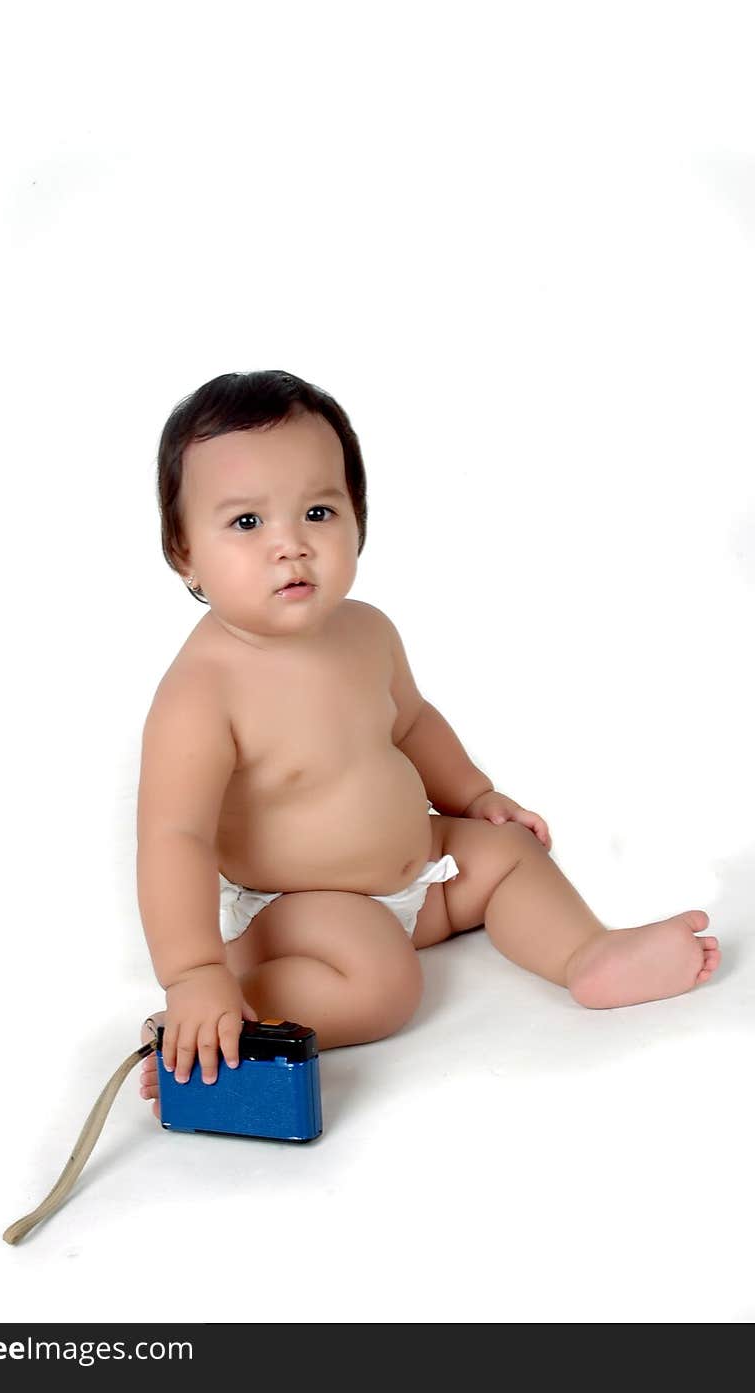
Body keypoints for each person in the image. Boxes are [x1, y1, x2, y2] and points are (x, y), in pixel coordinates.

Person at [136, 369, 720, 1109]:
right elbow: (174, 835)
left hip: (421, 869)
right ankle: (219, 1016)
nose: (290, 546)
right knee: (384, 984)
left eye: (318, 510)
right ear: (184, 550)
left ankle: (587, 954)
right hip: (302, 906)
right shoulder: (203, 688)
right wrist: (191, 972)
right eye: (247, 522)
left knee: (509, 854)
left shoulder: (367, 629)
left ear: (358, 519)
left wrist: (473, 794)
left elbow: (410, 722)